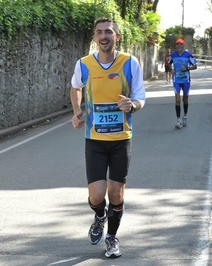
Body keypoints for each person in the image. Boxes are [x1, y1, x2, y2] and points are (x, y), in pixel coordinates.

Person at [70, 17, 146, 259]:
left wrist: (131, 105)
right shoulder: (83, 64)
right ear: (94, 37)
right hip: (94, 140)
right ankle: (100, 216)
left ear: (117, 37)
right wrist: (77, 111)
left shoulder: (129, 63)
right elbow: (75, 87)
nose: (104, 36)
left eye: (109, 32)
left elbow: (140, 97)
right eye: (99, 32)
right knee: (96, 195)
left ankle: (112, 238)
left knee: (116, 194)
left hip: (121, 139)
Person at [168, 38, 197, 129]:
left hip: (186, 81)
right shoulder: (173, 55)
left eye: (181, 44)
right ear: (176, 46)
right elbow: (168, 63)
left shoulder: (188, 55)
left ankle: (185, 116)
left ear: (183, 46)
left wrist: (187, 69)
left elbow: (195, 66)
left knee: (185, 99)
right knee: (177, 100)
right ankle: (178, 120)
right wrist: (171, 69)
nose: (179, 46)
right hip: (176, 80)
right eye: (177, 44)